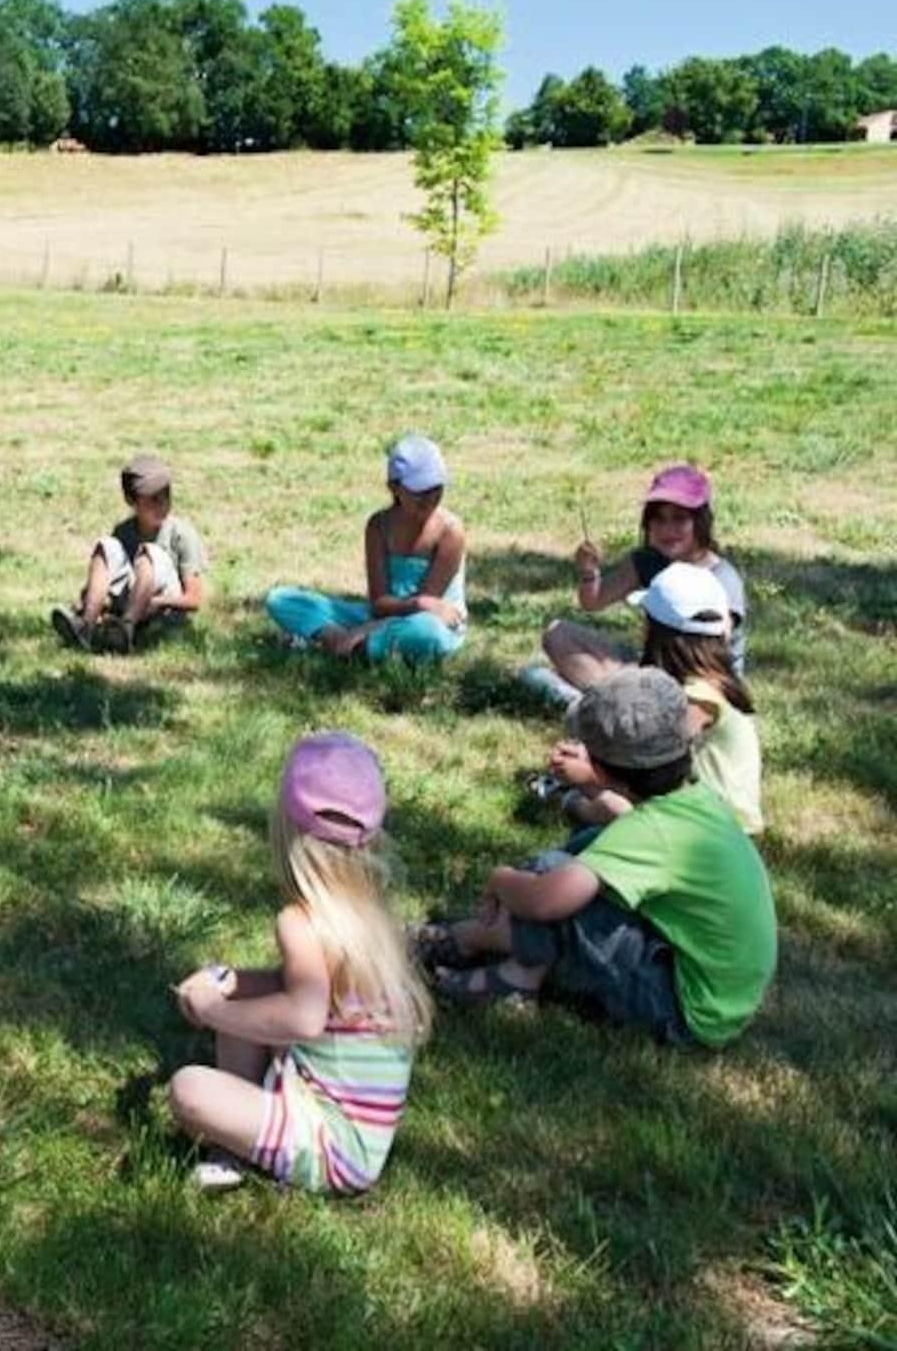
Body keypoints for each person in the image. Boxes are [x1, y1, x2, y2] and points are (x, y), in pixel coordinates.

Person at [415, 668, 776, 1048]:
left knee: (553, 874)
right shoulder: (696, 801)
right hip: (720, 999)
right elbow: (629, 819)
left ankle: (503, 967)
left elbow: (544, 901)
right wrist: (592, 784)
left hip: (681, 1009)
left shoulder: (649, 831)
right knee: (590, 844)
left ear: (602, 767)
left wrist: (499, 879)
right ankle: (494, 951)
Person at [168, 733, 430, 1195]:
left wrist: (212, 1010)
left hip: (332, 1150)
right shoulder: (368, 915)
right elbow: (303, 991)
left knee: (188, 1089)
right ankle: (240, 1143)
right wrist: (230, 982)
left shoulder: (300, 922)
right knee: (247, 1011)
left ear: (286, 829)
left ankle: (236, 1149)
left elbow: (304, 1017)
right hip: (356, 1143)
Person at [544, 563, 763, 835]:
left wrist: (592, 775)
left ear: (652, 630)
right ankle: (573, 801)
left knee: (617, 809)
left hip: (714, 825)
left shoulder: (698, 697)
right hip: (709, 815)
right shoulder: (710, 682)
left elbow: (648, 764)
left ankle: (569, 802)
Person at [527, 463, 747, 706]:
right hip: (654, 665)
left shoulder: (721, 577)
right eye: (658, 519)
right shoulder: (647, 561)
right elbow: (593, 601)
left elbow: (716, 646)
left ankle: (596, 700)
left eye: (679, 519)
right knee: (558, 634)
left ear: (701, 522)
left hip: (700, 678)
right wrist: (589, 572)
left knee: (543, 677)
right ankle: (611, 699)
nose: (667, 529)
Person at [264, 433, 468, 665]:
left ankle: (347, 645)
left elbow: (429, 607)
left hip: (431, 621)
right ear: (394, 488)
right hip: (383, 615)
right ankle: (342, 641)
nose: (430, 497)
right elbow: (379, 603)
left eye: (436, 487)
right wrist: (375, 621)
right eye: (420, 490)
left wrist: (370, 627)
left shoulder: (450, 531)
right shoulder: (379, 526)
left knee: (428, 635)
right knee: (280, 599)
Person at [51, 453, 207, 654]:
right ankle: (85, 625)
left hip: (164, 606)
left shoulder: (181, 534)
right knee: (106, 545)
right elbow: (115, 575)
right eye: (153, 499)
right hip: (133, 598)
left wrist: (157, 603)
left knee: (148, 553)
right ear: (131, 500)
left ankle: (126, 630)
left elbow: (194, 599)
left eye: (166, 495)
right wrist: (94, 596)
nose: (162, 504)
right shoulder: (123, 532)